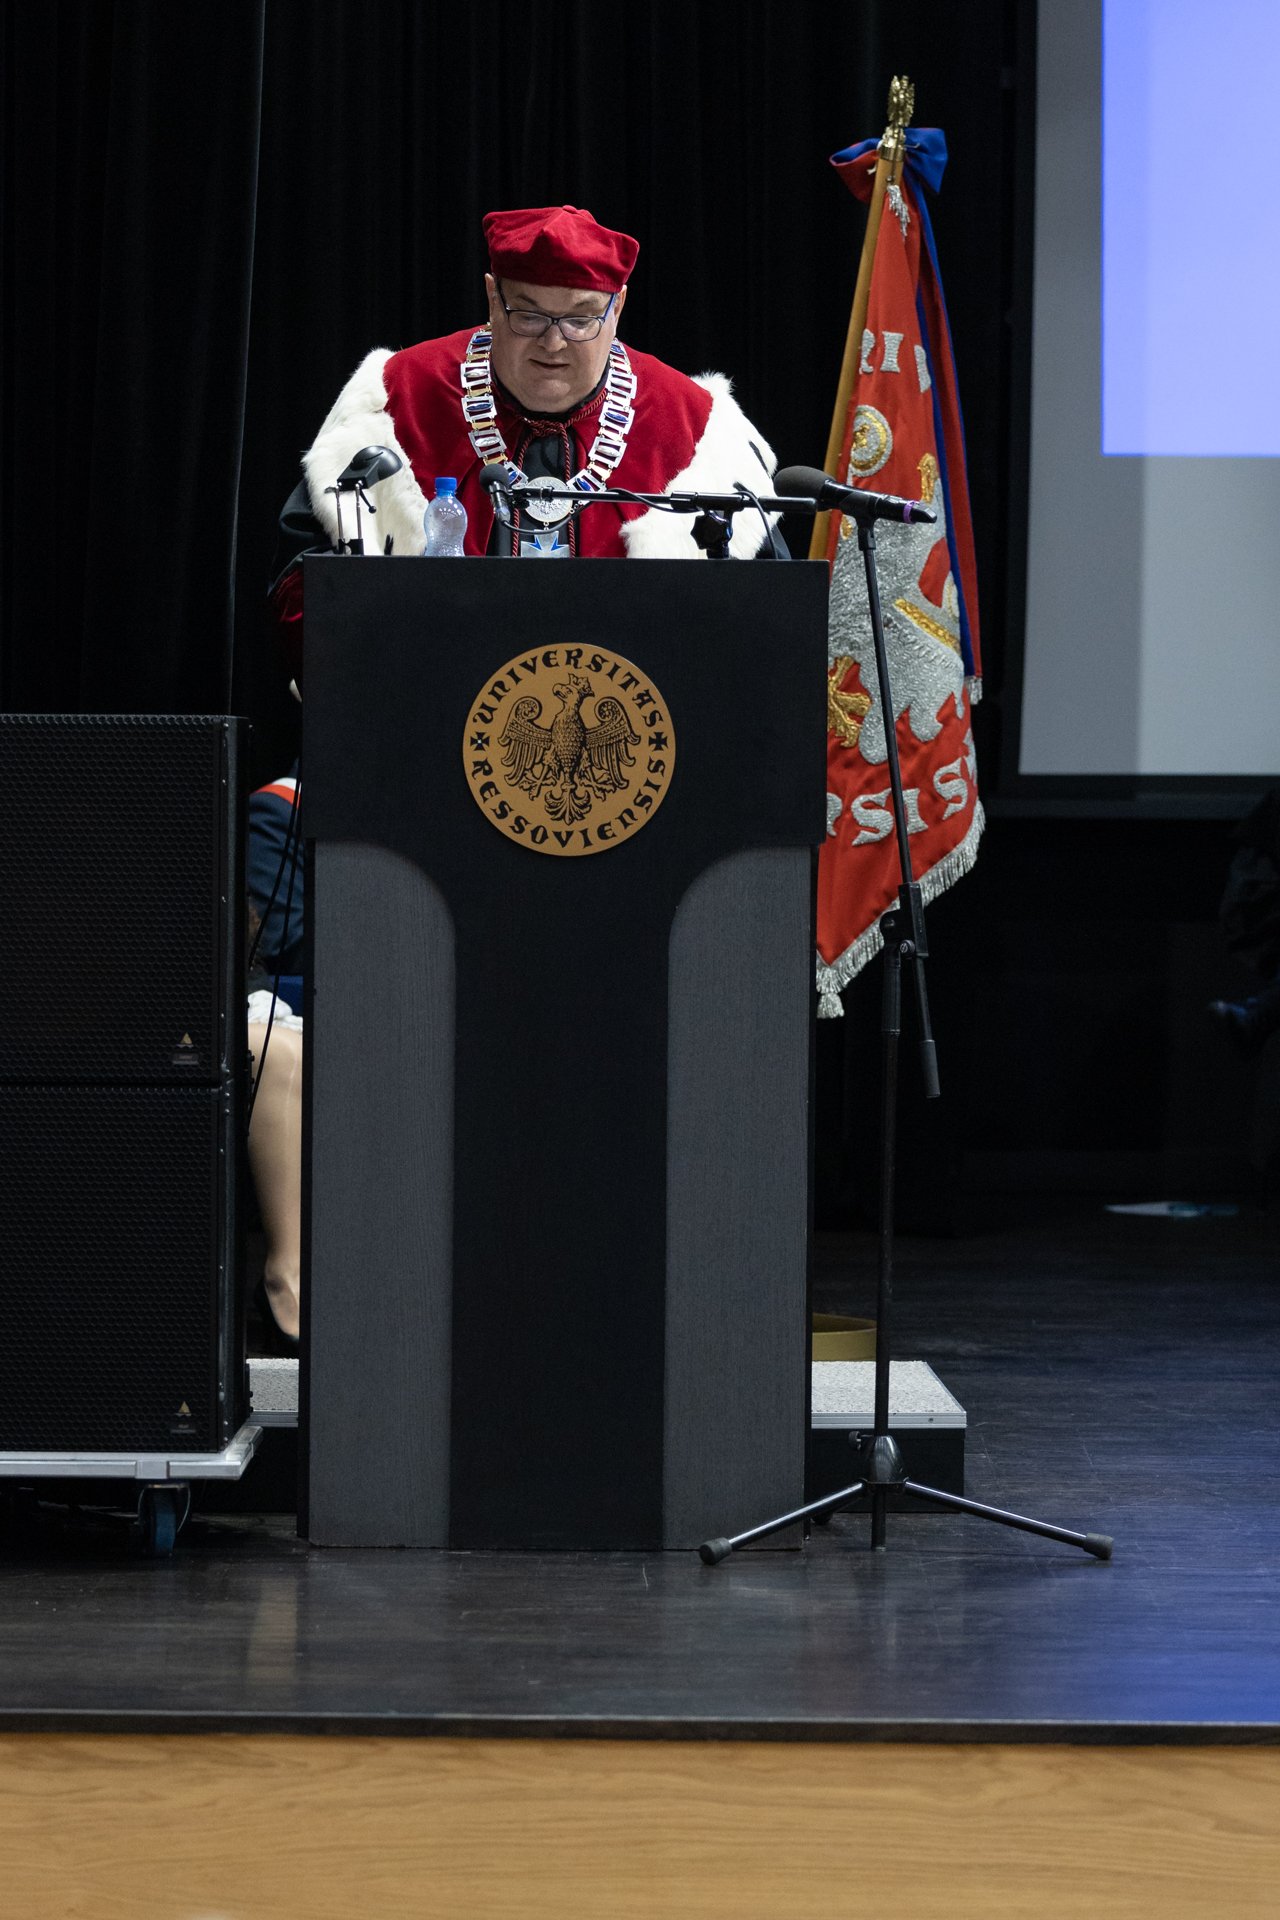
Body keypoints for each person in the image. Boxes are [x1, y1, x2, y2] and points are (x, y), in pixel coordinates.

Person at [269, 203, 783, 676]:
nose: (553, 342)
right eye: (530, 315)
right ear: (493, 297)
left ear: (617, 307)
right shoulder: (394, 399)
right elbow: (301, 587)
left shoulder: (697, 425)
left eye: (580, 318)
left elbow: (765, 618)